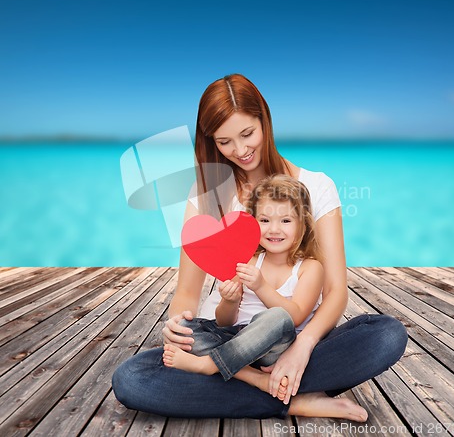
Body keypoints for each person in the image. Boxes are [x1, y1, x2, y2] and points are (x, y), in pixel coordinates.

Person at [112, 74, 408, 420]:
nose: (240, 150)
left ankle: (260, 382)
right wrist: (178, 325)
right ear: (211, 141)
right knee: (130, 379)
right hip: (221, 336)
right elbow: (187, 294)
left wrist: (301, 348)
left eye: (247, 133)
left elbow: (336, 293)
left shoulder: (317, 186)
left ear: (264, 120)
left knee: (387, 334)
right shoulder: (206, 194)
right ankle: (291, 398)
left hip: (292, 340)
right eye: (224, 141)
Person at [162, 174, 330, 405]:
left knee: (278, 317)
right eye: (264, 220)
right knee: (182, 328)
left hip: (275, 349)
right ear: (253, 223)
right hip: (237, 342)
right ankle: (251, 377)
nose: (274, 229)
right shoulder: (248, 261)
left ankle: (208, 365)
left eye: (285, 221)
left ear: (303, 224)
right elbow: (225, 323)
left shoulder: (309, 268)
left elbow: (295, 316)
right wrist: (229, 301)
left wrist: (261, 286)